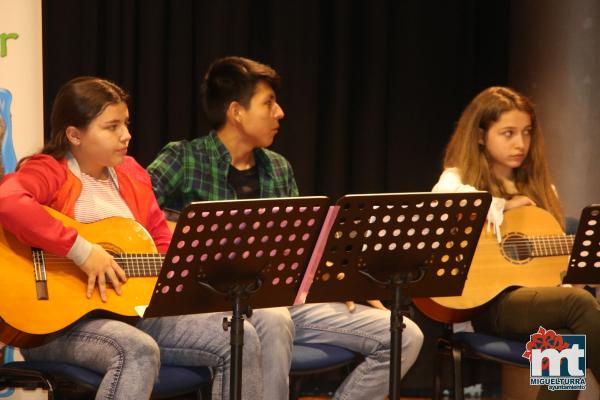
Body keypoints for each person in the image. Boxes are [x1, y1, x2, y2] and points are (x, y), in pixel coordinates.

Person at [148, 56, 424, 399]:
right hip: (213, 304)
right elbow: (137, 214)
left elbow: (302, 245)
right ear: (236, 111)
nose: (280, 113)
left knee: (404, 334)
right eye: (268, 103)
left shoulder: (278, 168)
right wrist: (192, 229)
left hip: (284, 300)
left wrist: (339, 279)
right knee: (273, 317)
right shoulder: (184, 158)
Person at [0, 76, 265, 399]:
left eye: (125, 123)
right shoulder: (50, 170)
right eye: (111, 127)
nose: (126, 135)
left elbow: (160, 244)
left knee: (241, 337)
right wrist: (82, 251)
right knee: (136, 350)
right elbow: (8, 201)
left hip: (131, 313)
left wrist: (184, 282)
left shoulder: (132, 173)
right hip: (53, 326)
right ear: (74, 135)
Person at [432, 86, 599, 400]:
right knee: (578, 306)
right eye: (508, 133)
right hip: (483, 308)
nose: (520, 143)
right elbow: (448, 206)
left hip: (540, 304)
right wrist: (502, 205)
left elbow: (550, 267)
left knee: (565, 337)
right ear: (481, 135)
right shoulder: (456, 180)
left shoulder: (540, 189)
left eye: (526, 132)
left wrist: (578, 270)